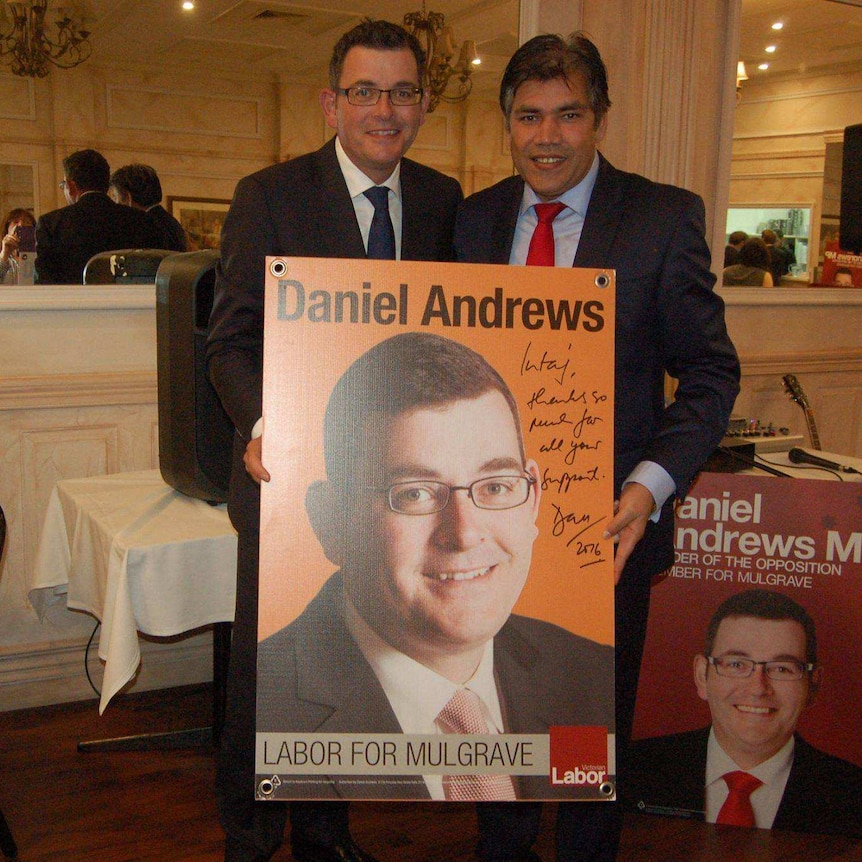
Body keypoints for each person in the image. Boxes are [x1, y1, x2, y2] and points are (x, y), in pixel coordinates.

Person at [453, 32, 740, 862]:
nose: (548, 136)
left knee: (586, 731)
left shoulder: (661, 217)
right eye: (529, 115)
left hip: (607, 531)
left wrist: (648, 490)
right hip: (486, 528)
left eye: (569, 115)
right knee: (493, 711)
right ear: (507, 124)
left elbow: (710, 375)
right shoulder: (473, 220)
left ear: (601, 120)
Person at [206, 18, 463, 862]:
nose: (383, 110)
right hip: (286, 475)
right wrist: (260, 422)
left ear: (421, 104)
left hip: (398, 489)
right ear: (331, 103)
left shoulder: (442, 200)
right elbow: (230, 340)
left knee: (352, 658)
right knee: (267, 667)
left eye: (400, 92)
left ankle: (325, 833)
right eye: (364, 91)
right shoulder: (269, 195)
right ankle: (247, 837)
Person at [256, 332, 615, 800]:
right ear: (330, 523)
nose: (464, 534)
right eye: (415, 494)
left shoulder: (590, 677)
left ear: (534, 500)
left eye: (496, 486)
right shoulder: (271, 706)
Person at [627, 589, 862, 837]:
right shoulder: (632, 771)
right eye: (736, 664)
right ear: (701, 676)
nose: (758, 688)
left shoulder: (852, 795)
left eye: (782, 668)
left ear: (813, 685)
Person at [34, 149, 164, 284]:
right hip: (126, 302)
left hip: (72, 303)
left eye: (63, 185)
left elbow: (44, 282)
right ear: (107, 185)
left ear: (71, 186)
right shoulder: (141, 220)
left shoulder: (51, 224)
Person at [109, 163, 188, 252]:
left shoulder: (144, 227)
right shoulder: (170, 222)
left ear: (128, 197)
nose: (115, 203)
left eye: (115, 197)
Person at [0, 208, 36, 285]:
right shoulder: (3, 258)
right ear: (7, 229)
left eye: (27, 222)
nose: (21, 225)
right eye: (15, 222)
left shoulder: (40, 258)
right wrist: (4, 255)